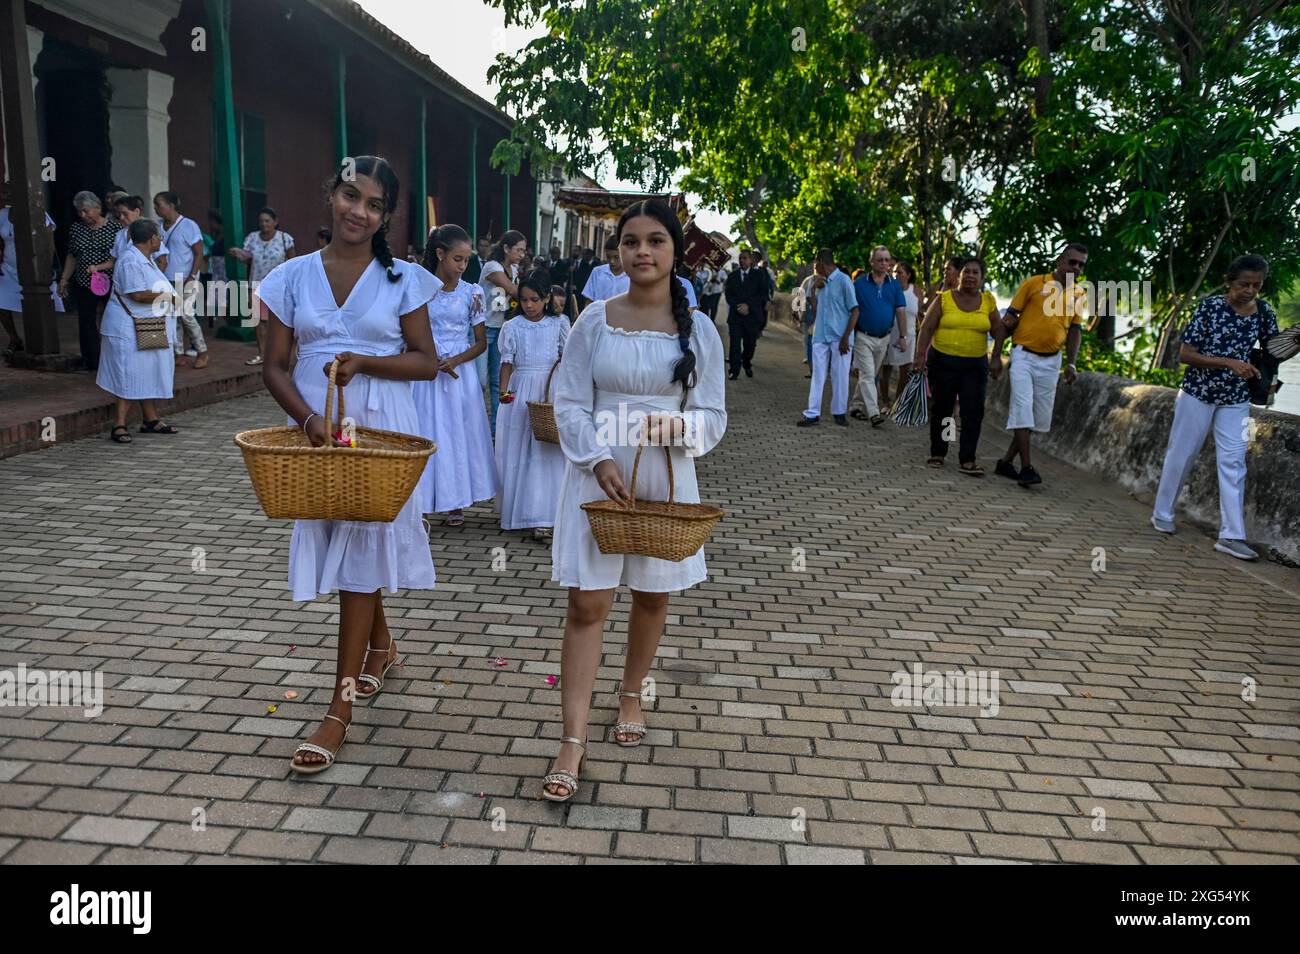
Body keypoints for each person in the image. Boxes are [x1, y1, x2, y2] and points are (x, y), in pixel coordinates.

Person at [254, 155, 440, 773]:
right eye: (350, 196)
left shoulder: (403, 279)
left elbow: (424, 361)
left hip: (381, 425)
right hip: (315, 424)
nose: (358, 212)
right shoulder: (290, 276)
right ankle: (380, 646)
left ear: (386, 215)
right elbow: (275, 365)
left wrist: (365, 361)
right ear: (329, 194)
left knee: (360, 551)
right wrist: (309, 424)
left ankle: (337, 711)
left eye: (374, 204)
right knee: (344, 536)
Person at [543, 198, 726, 802]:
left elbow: (714, 416)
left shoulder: (698, 328)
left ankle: (629, 693)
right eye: (629, 242)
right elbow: (568, 400)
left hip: (664, 473)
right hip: (598, 472)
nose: (641, 252)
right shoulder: (593, 319)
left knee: (651, 595)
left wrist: (679, 428)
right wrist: (596, 459)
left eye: (655, 241)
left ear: (675, 252)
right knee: (587, 603)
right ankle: (571, 738)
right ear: (616, 251)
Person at [1151, 253, 1279, 561]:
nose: (1250, 291)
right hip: (1197, 393)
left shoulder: (1264, 311)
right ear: (1229, 283)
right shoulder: (1210, 308)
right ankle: (1162, 514)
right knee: (1182, 455)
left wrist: (1272, 379)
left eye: (1256, 285)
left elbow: (1273, 351)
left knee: (1234, 462)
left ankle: (1231, 536)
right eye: (1244, 284)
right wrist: (1227, 362)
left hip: (1236, 398)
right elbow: (1186, 354)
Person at [412, 224, 497, 528]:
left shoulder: (472, 293)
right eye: (457, 259)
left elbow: (481, 342)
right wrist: (428, 355)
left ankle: (456, 500)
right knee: (427, 433)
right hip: (427, 370)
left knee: (458, 436)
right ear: (440, 254)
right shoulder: (420, 290)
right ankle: (420, 502)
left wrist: (456, 361)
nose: (463, 266)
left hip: (460, 375)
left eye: (466, 260)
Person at [993, 243, 1088, 487]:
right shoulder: (1033, 284)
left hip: (1051, 361)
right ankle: (1026, 468)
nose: (1076, 268)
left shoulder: (1079, 294)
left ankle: (1006, 463)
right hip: (1023, 356)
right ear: (1059, 261)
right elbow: (1008, 320)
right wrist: (996, 356)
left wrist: (1072, 364)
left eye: (1081, 265)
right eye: (1072, 262)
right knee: (1023, 408)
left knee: (1034, 417)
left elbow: (1075, 331)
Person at [496, 268, 570, 542]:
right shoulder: (512, 327)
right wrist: (504, 393)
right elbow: (507, 363)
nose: (529, 305)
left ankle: (550, 514)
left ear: (547, 298)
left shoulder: (559, 324)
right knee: (522, 451)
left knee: (548, 451)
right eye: (524, 300)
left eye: (535, 300)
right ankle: (526, 513)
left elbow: (569, 358)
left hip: (551, 388)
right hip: (522, 389)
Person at [913, 256, 1002, 475]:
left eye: (975, 272)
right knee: (943, 408)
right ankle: (940, 451)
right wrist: (919, 356)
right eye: (967, 272)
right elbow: (926, 328)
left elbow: (998, 329)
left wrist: (997, 356)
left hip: (975, 365)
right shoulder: (945, 299)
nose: (971, 276)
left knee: (973, 411)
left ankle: (967, 459)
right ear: (959, 275)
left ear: (982, 278)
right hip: (943, 361)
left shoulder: (988, 301)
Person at [97, 219, 182, 443]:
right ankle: (119, 424)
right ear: (152, 239)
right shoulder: (130, 260)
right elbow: (136, 294)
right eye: (159, 237)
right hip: (127, 328)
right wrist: (169, 297)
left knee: (148, 371)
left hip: (148, 325)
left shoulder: (146, 258)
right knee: (127, 373)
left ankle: (150, 419)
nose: (160, 241)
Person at [58, 191, 120, 373]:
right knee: (86, 322)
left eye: (86, 211)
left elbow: (118, 257)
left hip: (110, 281)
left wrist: (99, 267)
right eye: (79, 211)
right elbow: (72, 255)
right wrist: (64, 279)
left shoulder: (115, 229)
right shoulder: (77, 229)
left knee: (112, 320)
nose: (82, 215)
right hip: (85, 282)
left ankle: (114, 359)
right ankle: (92, 362)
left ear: (98, 208)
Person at [848, 246, 907, 426]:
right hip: (863, 336)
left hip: (884, 338)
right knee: (867, 374)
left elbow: (900, 311)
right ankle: (874, 413)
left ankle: (856, 406)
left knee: (870, 374)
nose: (884, 263)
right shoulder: (859, 284)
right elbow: (850, 309)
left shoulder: (895, 285)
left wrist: (903, 336)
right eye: (880, 260)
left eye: (887, 260)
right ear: (871, 262)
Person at [0, 190, 65, 355]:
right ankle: (14, 338)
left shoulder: (39, 214)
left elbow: (49, 242)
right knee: (1, 301)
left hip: (34, 268)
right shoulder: (2, 215)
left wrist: (47, 266)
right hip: (9, 268)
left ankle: (42, 340)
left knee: (43, 303)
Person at [798, 248, 857, 426]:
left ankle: (839, 412)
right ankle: (812, 413)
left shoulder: (844, 280)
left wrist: (846, 337)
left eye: (815, 264)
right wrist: (814, 290)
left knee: (840, 375)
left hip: (840, 337)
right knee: (818, 374)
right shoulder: (818, 282)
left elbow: (855, 310)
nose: (814, 267)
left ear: (821, 262)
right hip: (820, 335)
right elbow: (816, 311)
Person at [231, 207, 296, 366]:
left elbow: (293, 263)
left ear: (275, 221)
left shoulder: (285, 239)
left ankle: (281, 355)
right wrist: (240, 255)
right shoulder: (252, 238)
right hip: (257, 285)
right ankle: (262, 354)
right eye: (261, 221)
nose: (264, 224)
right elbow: (249, 260)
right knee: (259, 322)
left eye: (267, 220)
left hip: (279, 287)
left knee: (279, 322)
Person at [154, 191, 209, 369]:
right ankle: (178, 353)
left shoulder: (189, 225)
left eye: (158, 204)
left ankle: (202, 351)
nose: (155, 208)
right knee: (172, 317)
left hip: (186, 278)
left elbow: (199, 252)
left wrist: (192, 275)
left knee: (186, 315)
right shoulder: (158, 226)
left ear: (171, 205)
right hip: (166, 278)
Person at [478, 229, 527, 428]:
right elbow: (513, 290)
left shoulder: (514, 270)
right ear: (506, 248)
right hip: (482, 328)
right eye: (518, 250)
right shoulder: (492, 267)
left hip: (500, 328)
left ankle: (496, 426)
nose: (522, 255)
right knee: (480, 381)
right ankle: (476, 424)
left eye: (524, 251)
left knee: (499, 382)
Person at [880, 259, 920, 408]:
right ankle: (885, 401)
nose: (896, 274)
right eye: (895, 271)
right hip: (890, 333)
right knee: (886, 368)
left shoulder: (916, 291)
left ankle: (898, 402)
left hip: (909, 336)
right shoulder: (887, 288)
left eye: (900, 272)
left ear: (908, 275)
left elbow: (921, 315)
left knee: (905, 370)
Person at [723, 249, 768, 379]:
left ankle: (747, 362)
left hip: (752, 316)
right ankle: (734, 370)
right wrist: (738, 306)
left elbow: (762, 294)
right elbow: (728, 295)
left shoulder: (759, 275)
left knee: (750, 345)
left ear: (751, 260)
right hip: (736, 317)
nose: (742, 260)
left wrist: (749, 306)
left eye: (745, 258)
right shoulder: (732, 276)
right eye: (740, 258)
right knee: (735, 345)